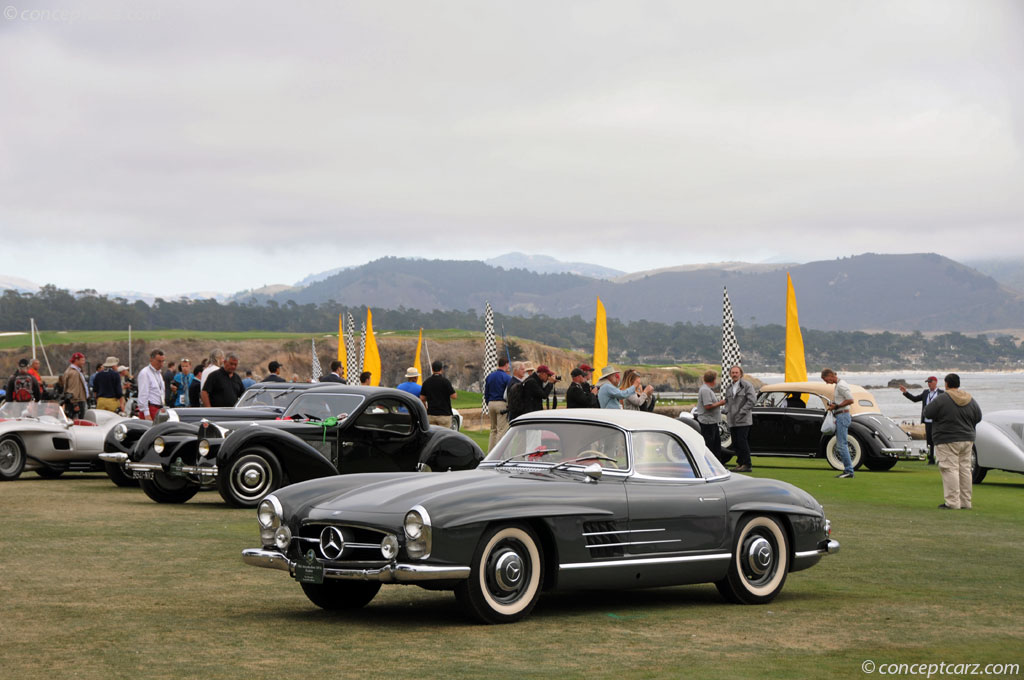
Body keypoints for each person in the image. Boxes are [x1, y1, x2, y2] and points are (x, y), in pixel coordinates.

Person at [924, 373, 982, 510]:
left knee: (949, 469)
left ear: (946, 384)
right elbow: (978, 416)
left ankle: (952, 502)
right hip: (967, 439)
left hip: (947, 439)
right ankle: (966, 502)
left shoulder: (942, 398)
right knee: (965, 470)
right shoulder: (969, 398)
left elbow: (928, 412)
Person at [900, 376, 944, 464]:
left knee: (939, 441)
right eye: (928, 382)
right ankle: (931, 459)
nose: (929, 384)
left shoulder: (941, 393)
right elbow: (915, 399)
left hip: (937, 422)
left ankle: (941, 459)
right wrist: (906, 393)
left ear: (935, 382)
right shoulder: (925, 393)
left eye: (930, 382)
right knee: (929, 441)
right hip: (927, 421)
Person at [821, 368, 855, 479]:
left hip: (843, 415)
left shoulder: (841, 385)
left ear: (831, 375)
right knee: (841, 444)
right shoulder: (839, 384)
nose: (826, 382)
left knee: (842, 444)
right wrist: (835, 405)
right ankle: (848, 470)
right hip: (840, 414)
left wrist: (837, 406)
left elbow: (850, 399)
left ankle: (849, 470)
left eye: (826, 379)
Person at [724, 365, 757, 473]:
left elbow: (752, 400)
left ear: (740, 374)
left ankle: (747, 464)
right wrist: (725, 411)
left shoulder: (747, 385)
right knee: (736, 443)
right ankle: (740, 463)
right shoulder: (729, 387)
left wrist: (742, 411)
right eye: (732, 373)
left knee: (742, 442)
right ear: (730, 374)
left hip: (743, 420)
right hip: (732, 420)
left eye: (736, 373)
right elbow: (727, 402)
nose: (734, 374)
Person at [697, 370, 726, 463]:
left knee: (716, 445)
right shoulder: (705, 390)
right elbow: (708, 406)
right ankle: (709, 464)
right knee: (710, 445)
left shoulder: (706, 389)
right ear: (713, 379)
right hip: (707, 422)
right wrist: (720, 403)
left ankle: (717, 464)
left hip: (712, 421)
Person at [484, 357, 512, 448]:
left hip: (491, 403)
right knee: (501, 430)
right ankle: (498, 452)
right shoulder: (507, 377)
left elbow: (486, 392)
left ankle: (491, 451)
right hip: (501, 404)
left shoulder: (490, 376)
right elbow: (509, 393)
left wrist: (488, 402)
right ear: (506, 364)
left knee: (493, 430)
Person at [419, 360, 456, 428]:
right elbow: (454, 396)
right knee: (444, 436)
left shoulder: (427, 382)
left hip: (431, 414)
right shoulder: (445, 382)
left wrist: (426, 408)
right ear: (441, 369)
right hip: (444, 414)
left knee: (433, 436)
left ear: (432, 369)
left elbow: (422, 398)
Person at [137, 349, 167, 420]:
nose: (161, 364)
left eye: (163, 361)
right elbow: (143, 394)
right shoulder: (145, 373)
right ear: (151, 360)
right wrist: (146, 414)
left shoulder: (159, 373)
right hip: (150, 409)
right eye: (159, 361)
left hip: (159, 408)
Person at [60, 352, 90, 418]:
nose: (84, 362)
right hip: (78, 401)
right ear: (76, 360)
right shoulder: (74, 373)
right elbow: (73, 389)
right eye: (82, 360)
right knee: (78, 422)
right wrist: (75, 404)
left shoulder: (72, 371)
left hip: (76, 400)